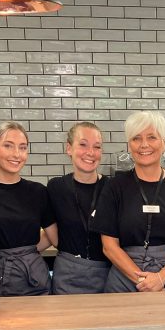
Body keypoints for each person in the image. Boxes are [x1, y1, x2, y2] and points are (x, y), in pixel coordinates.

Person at [93, 111, 165, 292]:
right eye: (136, 138)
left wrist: (162, 277)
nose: (144, 145)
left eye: (152, 137)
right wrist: (146, 282)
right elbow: (109, 246)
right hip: (127, 278)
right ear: (129, 145)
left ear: (164, 143)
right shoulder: (115, 186)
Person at [0, 122, 58, 296]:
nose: (16, 154)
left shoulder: (38, 191)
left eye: (22, 147)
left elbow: (53, 237)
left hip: (35, 278)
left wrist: (24, 255)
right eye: (8, 146)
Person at [47, 122, 112, 294]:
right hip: (67, 276)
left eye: (97, 147)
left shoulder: (112, 188)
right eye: (83, 145)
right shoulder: (56, 187)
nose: (90, 153)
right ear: (69, 148)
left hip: (106, 275)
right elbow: (53, 236)